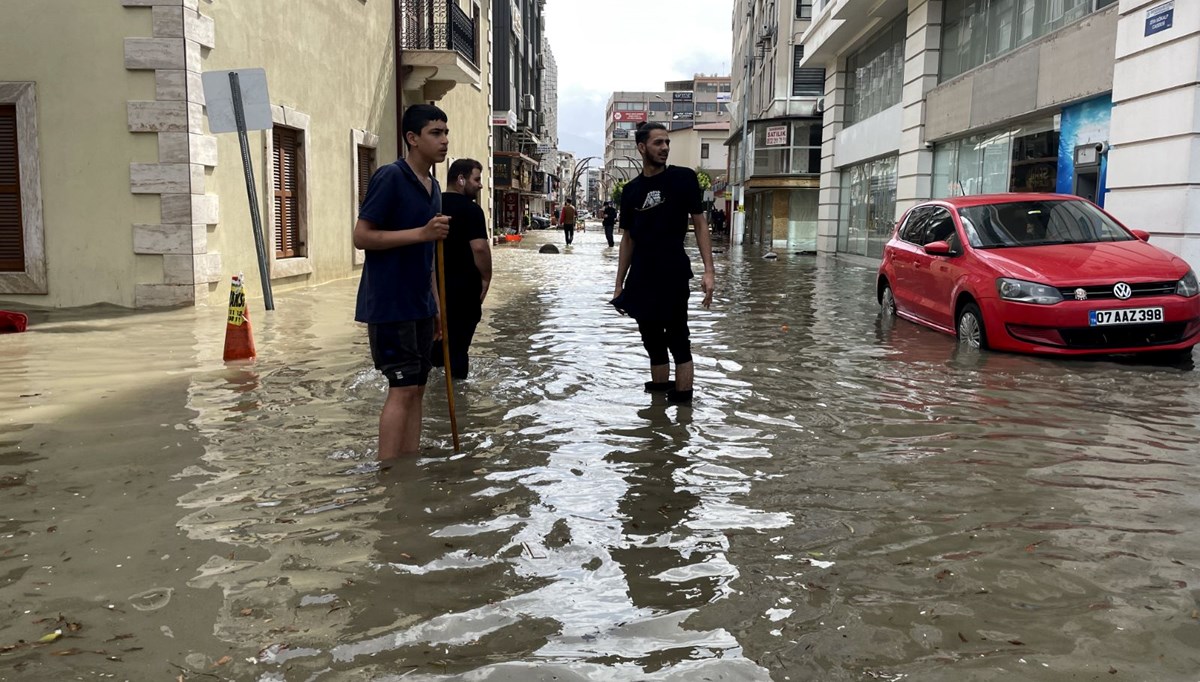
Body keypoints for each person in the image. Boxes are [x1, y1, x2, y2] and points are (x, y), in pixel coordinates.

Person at [353, 104, 450, 462]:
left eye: (445, 133)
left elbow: (427, 258)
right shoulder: (390, 177)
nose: (444, 141)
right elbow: (362, 237)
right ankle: (388, 472)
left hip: (420, 304)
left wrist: (437, 306)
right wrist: (421, 232)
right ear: (412, 138)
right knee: (402, 387)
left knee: (419, 387)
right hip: (390, 302)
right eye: (435, 133)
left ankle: (409, 464)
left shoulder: (434, 186)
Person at [612, 122, 715, 404]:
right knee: (653, 343)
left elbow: (700, 223)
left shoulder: (683, 179)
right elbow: (628, 240)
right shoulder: (631, 191)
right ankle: (658, 417)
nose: (665, 148)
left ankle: (683, 413)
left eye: (667, 142)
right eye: (658, 143)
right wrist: (619, 285)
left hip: (673, 271)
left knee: (679, 340)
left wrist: (709, 270)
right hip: (642, 276)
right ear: (642, 147)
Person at [431, 158, 492, 380]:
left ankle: (433, 405)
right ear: (461, 179)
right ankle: (459, 402)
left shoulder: (431, 205)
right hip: (462, 294)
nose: (480, 185)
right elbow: (479, 248)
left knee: (433, 352)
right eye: (476, 179)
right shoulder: (472, 210)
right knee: (458, 353)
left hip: (430, 292)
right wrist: (486, 278)